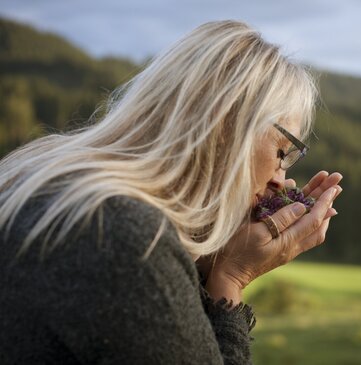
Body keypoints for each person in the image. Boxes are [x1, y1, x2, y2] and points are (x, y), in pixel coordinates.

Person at [0, 20, 343, 364]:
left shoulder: (48, 175)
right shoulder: (126, 238)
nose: (280, 180)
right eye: (283, 151)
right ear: (226, 124)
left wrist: (209, 258)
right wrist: (231, 277)